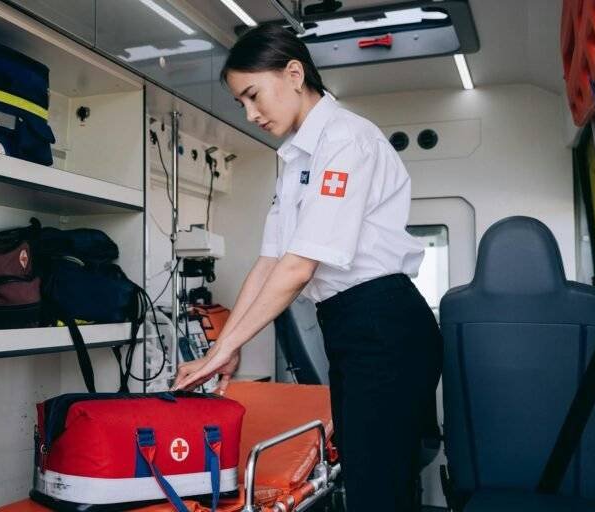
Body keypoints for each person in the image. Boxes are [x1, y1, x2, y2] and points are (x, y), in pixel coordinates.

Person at [173, 24, 443, 511]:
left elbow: (297, 268)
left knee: (378, 487)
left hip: (383, 322)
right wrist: (226, 348)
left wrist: (221, 351)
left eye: (254, 95)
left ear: (294, 73)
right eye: (241, 104)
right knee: (368, 477)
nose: (251, 113)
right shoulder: (296, 158)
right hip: (350, 326)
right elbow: (270, 261)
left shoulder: (346, 140)